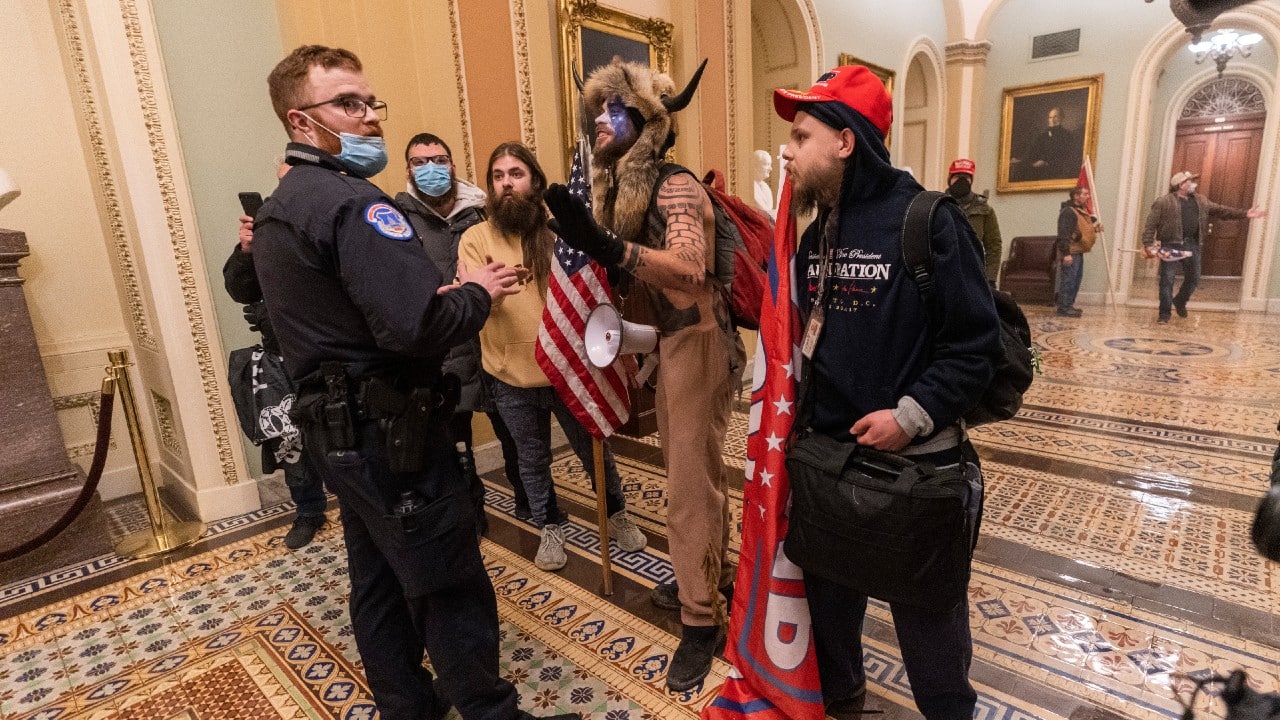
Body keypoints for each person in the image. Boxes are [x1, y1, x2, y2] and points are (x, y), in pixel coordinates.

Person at [251, 45, 577, 720]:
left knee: (375, 578)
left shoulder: (283, 205)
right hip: (390, 431)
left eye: (370, 101)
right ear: (300, 120)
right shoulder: (352, 204)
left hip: (336, 431)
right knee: (447, 581)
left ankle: (407, 706)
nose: (369, 117)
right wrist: (477, 293)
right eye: (347, 103)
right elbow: (419, 324)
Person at [772, 65, 1001, 720]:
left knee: (933, 647)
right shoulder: (816, 237)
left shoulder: (928, 222)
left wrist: (910, 416)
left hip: (914, 478)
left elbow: (975, 346)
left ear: (845, 142)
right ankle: (845, 705)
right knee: (834, 636)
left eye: (802, 134)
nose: (788, 150)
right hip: (829, 474)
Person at [543, 58, 740, 693]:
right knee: (698, 473)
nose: (601, 119)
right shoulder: (626, 188)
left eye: (616, 109)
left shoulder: (675, 185)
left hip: (699, 341)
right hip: (672, 341)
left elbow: (686, 268)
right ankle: (713, 574)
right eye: (597, 108)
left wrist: (606, 246)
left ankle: (700, 618)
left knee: (687, 485)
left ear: (649, 123)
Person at [458, 142, 646, 572]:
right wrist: (489, 290)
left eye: (516, 174)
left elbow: (594, 294)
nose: (507, 183)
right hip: (511, 379)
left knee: (594, 448)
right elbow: (470, 306)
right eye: (498, 176)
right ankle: (549, 525)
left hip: (569, 369)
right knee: (531, 458)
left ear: (536, 182)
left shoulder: (563, 234)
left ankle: (616, 512)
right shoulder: (474, 239)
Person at [395, 132, 543, 533]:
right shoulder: (396, 218)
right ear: (408, 169)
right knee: (456, 444)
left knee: (514, 440)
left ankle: (531, 507)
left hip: (491, 347)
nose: (430, 169)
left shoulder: (482, 212)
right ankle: (470, 515)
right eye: (420, 162)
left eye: (438, 160)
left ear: (452, 166)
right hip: (442, 352)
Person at [224, 158, 327, 550]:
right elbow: (240, 289)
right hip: (281, 360)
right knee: (290, 442)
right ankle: (309, 512)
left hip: (323, 356)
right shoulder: (268, 225)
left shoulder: (322, 219)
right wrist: (247, 251)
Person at [1140, 170, 1267, 323]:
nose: (1194, 183)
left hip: (1193, 245)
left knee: (1194, 278)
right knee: (1167, 280)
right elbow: (1151, 224)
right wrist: (1148, 244)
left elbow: (1222, 211)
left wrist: (1245, 213)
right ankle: (1164, 315)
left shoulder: (1201, 201)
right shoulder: (1163, 202)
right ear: (1180, 185)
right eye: (1190, 181)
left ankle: (1180, 300)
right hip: (1171, 245)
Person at [945, 158, 1002, 283]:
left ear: (971, 180)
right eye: (957, 176)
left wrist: (990, 279)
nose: (961, 180)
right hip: (945, 272)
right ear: (950, 179)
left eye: (966, 177)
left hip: (973, 274)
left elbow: (994, 246)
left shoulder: (984, 210)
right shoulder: (939, 205)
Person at [1054, 185, 1102, 318]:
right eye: (1085, 194)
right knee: (1068, 280)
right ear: (1076, 196)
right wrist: (1066, 254)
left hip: (1078, 251)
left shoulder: (1079, 211)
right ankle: (1064, 307)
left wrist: (1095, 230)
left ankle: (1069, 304)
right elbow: (1064, 234)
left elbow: (1080, 231)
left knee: (1076, 279)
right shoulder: (1068, 212)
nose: (1088, 197)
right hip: (1071, 252)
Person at [1012, 106, 1081, 181]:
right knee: (1020, 169)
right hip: (1037, 164)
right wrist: (1022, 160)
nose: (1052, 120)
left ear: (1061, 118)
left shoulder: (1067, 135)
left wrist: (1046, 162)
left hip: (1055, 167)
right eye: (1050, 117)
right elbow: (1033, 150)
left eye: (1055, 117)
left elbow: (1065, 155)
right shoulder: (1043, 134)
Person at [752, 148, 776, 219]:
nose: (770, 168)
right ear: (755, 166)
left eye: (770, 164)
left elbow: (768, 210)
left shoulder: (766, 187)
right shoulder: (749, 187)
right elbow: (764, 209)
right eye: (766, 164)